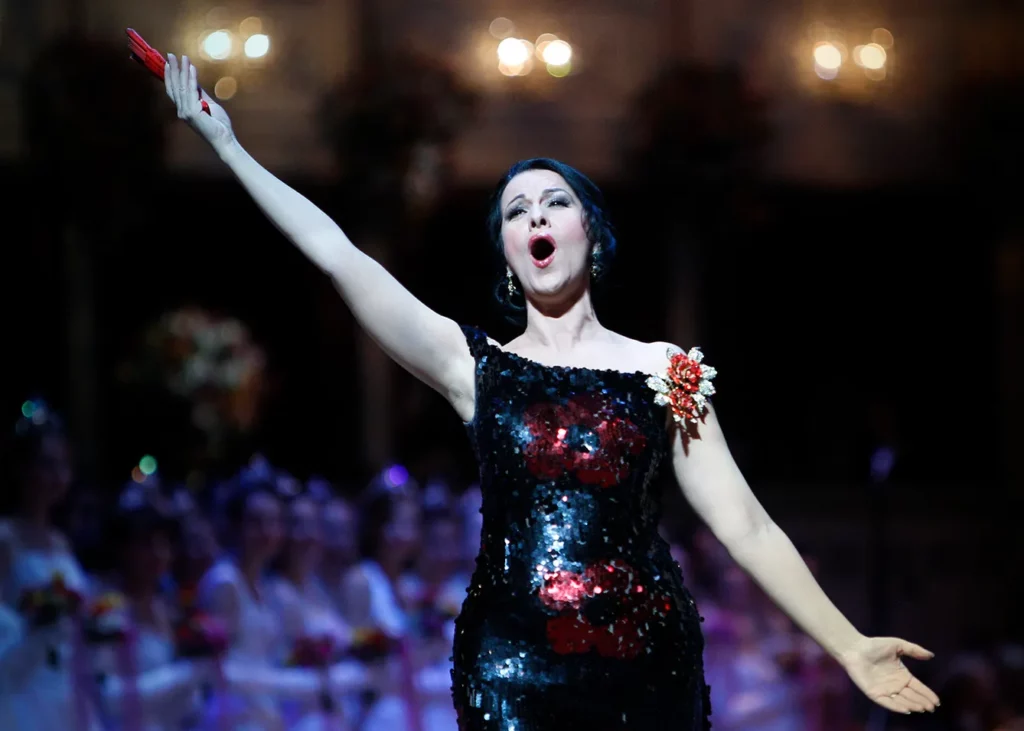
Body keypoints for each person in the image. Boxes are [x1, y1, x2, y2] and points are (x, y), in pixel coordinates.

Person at [160, 53, 940, 728]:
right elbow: (336, 253)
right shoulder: (474, 368)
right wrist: (228, 145)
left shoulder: (663, 368)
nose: (536, 214)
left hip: (649, 665)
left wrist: (848, 643)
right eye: (515, 211)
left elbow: (747, 527)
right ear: (508, 255)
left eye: (554, 202)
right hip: (512, 667)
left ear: (590, 235)